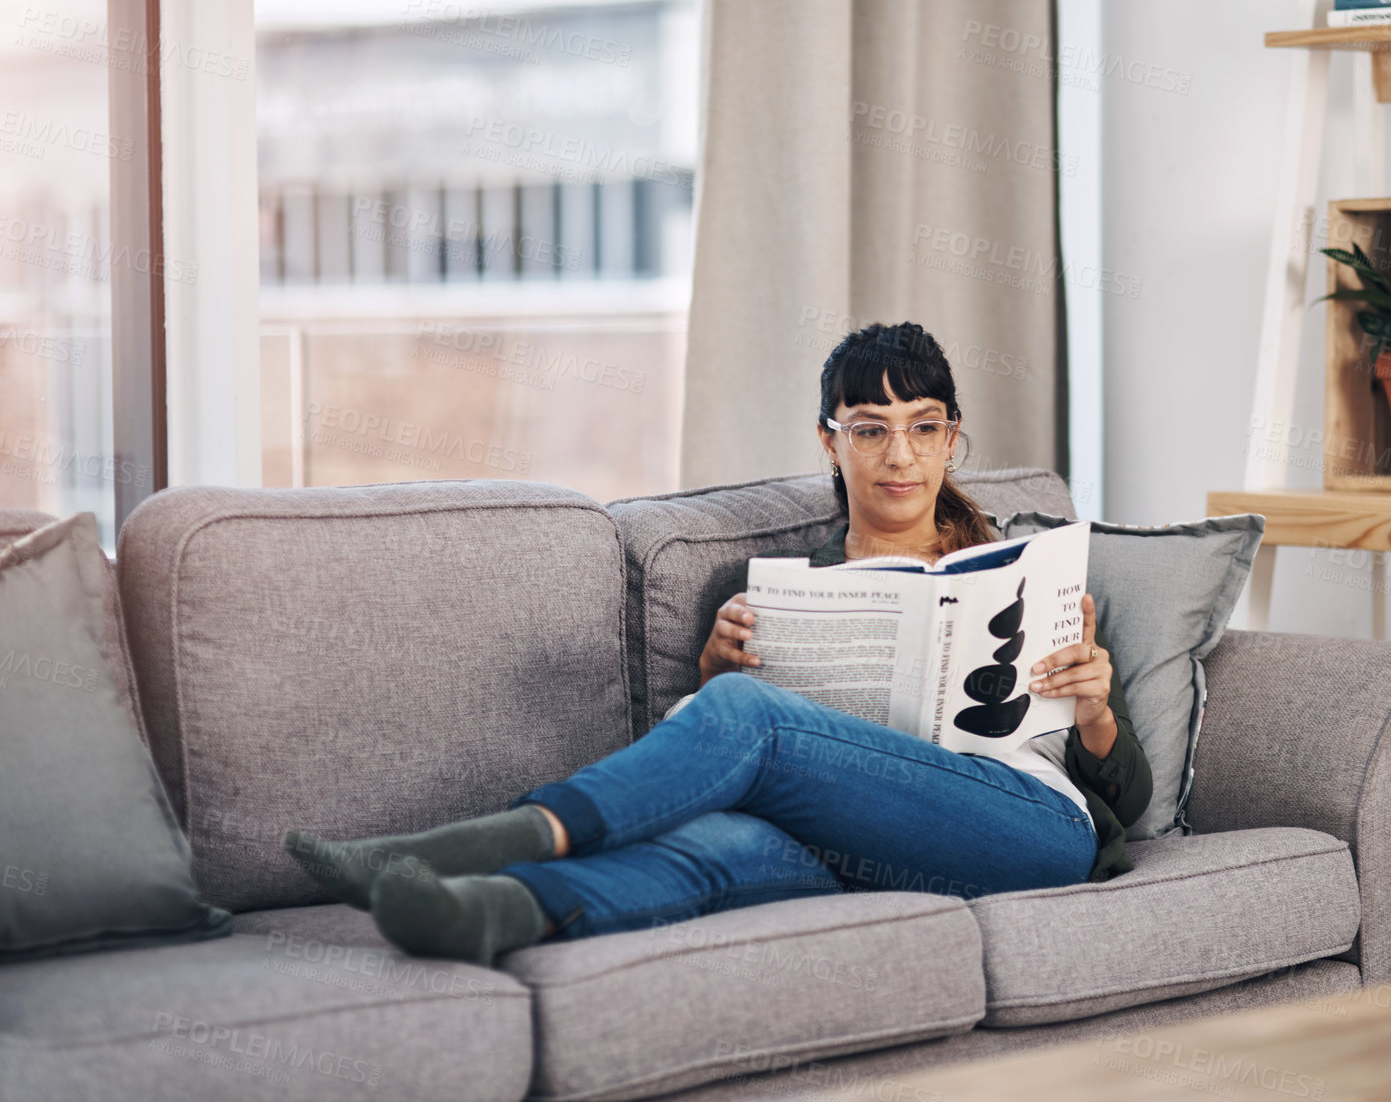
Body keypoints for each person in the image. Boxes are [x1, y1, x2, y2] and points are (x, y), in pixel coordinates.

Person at [284, 321, 1150, 966]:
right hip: (859, 856)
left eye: (924, 428)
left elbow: (1131, 799)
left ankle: (481, 839)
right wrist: (707, 675)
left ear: (951, 439)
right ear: (830, 440)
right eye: (869, 428)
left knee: (748, 715)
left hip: (1025, 829)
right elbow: (713, 758)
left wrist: (1098, 709)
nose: (900, 455)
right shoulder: (786, 588)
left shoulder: (1026, 568)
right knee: (717, 847)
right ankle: (487, 910)